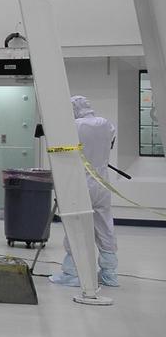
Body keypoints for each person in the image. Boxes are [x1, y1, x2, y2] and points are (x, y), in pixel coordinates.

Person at [50, 96, 118, 288]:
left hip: (81, 184)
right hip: (102, 183)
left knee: (76, 227)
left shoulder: (74, 126)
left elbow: (64, 153)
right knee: (105, 226)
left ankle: (72, 273)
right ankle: (109, 273)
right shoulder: (106, 123)